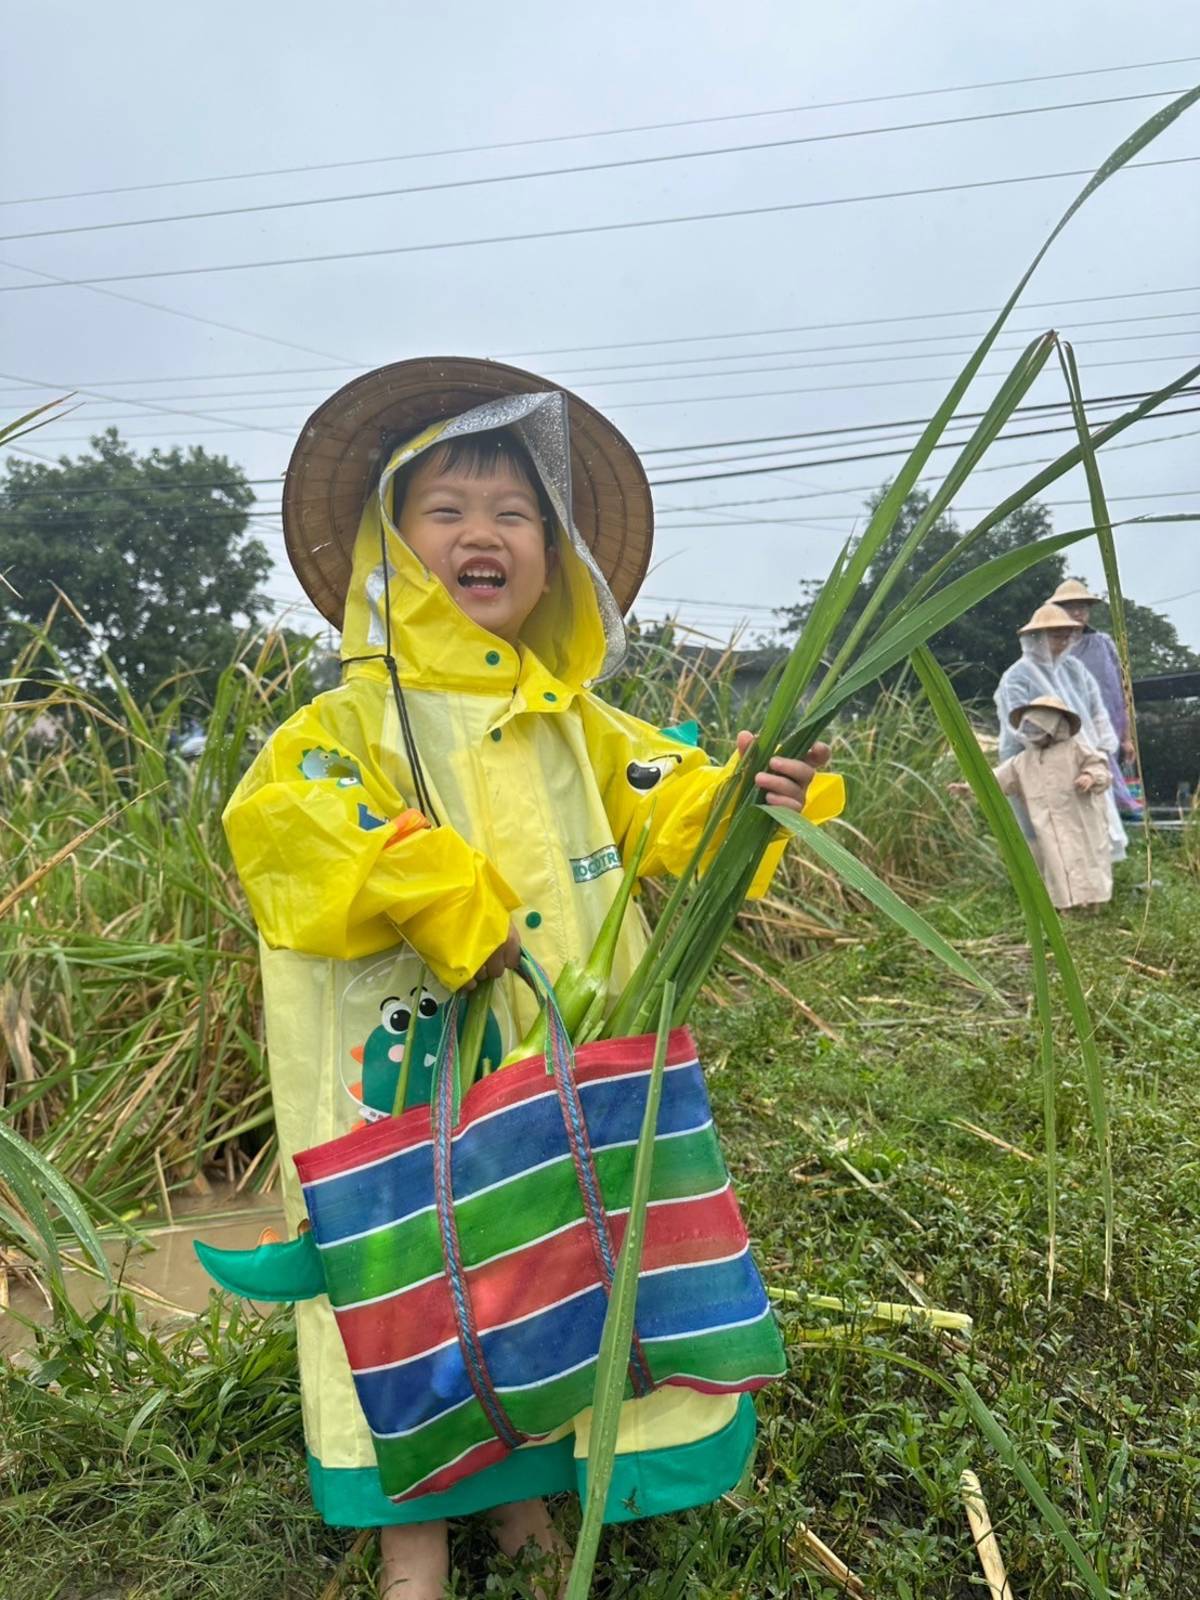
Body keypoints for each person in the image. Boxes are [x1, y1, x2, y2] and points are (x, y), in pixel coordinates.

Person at [215, 360, 843, 1600]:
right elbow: (291, 825)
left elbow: (674, 801)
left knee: (558, 1263)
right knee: (419, 1275)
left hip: (562, 1058)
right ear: (390, 547)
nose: (481, 534)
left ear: (552, 557)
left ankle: (529, 1510)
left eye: (514, 514)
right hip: (403, 1071)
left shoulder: (583, 722)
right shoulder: (346, 722)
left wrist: (754, 798)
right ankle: (414, 1553)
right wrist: (426, 880)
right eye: (444, 509)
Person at [995, 602, 1127, 864]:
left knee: (1080, 819)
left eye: (1067, 634)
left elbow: (1096, 710)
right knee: (1039, 822)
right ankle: (1042, 890)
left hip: (1078, 757)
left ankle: (1084, 889)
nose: (1064, 640)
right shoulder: (1017, 676)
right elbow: (1020, 725)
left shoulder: (1074, 670)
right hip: (1032, 760)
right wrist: (1058, 749)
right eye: (1056, 635)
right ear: (1037, 637)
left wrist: (1100, 748)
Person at [992, 695, 1113, 910]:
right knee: (1056, 862)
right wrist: (969, 786)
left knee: (1088, 857)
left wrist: (1090, 776)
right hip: (1047, 822)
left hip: (1081, 818)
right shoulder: (1023, 760)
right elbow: (996, 779)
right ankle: (1064, 906)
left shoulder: (1076, 748)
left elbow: (1099, 767)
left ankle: (1094, 905)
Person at [1047, 578, 1142, 818]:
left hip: (1106, 726)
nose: (1078, 612)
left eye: (1083, 607)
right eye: (1071, 607)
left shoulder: (1103, 643)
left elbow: (1121, 691)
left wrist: (1127, 736)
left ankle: (1119, 812)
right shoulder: (1050, 648)